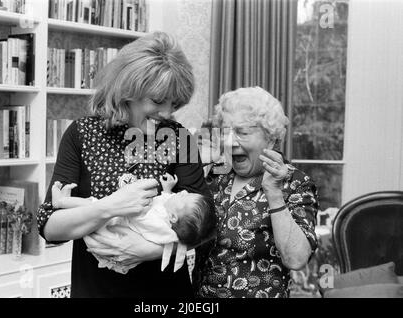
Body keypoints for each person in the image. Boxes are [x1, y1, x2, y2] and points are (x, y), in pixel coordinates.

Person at [37, 31, 214, 298]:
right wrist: (111, 206)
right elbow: (50, 228)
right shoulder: (82, 134)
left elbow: (207, 225)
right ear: (128, 90)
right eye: (157, 101)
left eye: (174, 103)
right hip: (96, 291)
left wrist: (149, 249)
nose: (167, 113)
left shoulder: (178, 138)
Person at [198, 87, 319, 298]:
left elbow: (296, 259)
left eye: (242, 133)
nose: (230, 142)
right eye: (226, 132)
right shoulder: (216, 175)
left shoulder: (294, 182)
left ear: (271, 138)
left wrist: (273, 193)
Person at [50, 173, 215, 275]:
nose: (184, 191)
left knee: (92, 204)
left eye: (184, 197)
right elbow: (166, 202)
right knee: (91, 209)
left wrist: (129, 196)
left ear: (172, 218)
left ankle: (61, 201)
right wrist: (167, 190)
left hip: (112, 228)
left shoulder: (157, 222)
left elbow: (143, 217)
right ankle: (66, 202)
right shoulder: (170, 212)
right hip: (111, 235)